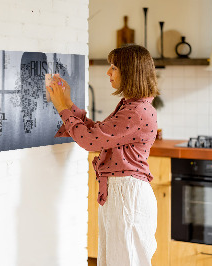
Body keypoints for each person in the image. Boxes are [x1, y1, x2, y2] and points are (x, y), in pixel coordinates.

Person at [47, 44, 159, 266]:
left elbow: (90, 141)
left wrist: (62, 108)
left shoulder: (136, 111)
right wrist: (68, 103)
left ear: (130, 72)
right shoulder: (132, 106)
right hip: (122, 193)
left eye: (114, 67)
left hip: (127, 195)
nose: (108, 72)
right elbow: (98, 133)